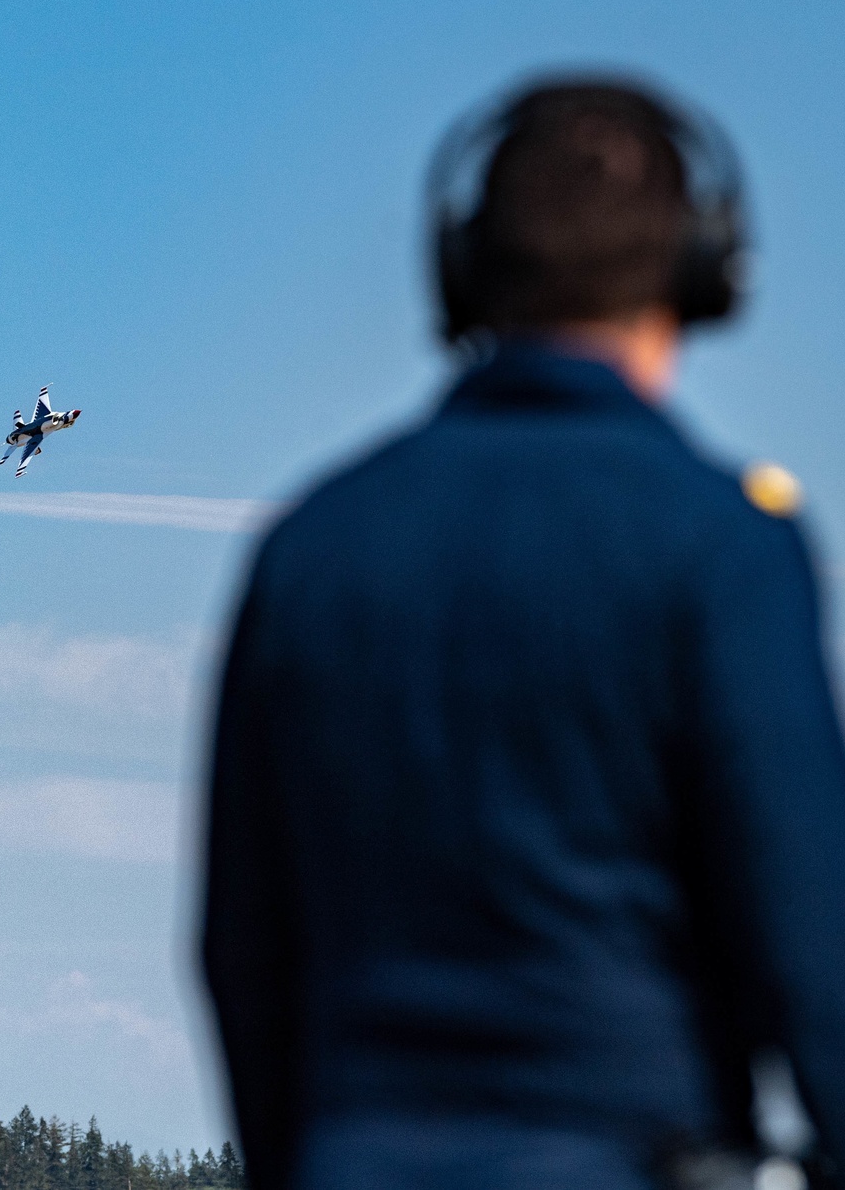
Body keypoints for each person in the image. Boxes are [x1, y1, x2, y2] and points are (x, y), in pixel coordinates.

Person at [202, 78, 845, 1190]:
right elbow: (812, 945)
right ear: (704, 270)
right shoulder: (724, 542)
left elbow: (240, 944)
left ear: (459, 267)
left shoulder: (309, 546)